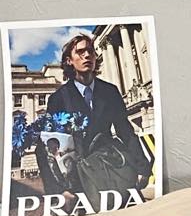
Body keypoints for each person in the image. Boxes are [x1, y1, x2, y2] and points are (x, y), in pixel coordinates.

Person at [47, 33, 152, 193]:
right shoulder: (58, 98)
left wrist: (142, 168)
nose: (87, 55)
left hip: (112, 167)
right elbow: (49, 146)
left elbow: (125, 131)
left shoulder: (110, 91)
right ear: (69, 61)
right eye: (80, 52)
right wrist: (59, 190)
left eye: (90, 51)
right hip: (78, 178)